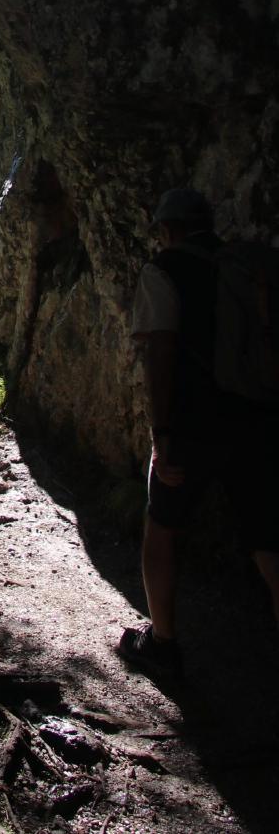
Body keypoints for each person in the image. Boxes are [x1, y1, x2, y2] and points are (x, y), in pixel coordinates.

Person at [118, 188, 279, 681]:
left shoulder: (165, 270)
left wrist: (161, 432)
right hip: (259, 419)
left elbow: (161, 351)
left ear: (167, 229)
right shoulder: (250, 267)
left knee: (163, 526)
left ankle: (163, 643)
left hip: (194, 424)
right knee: (268, 538)